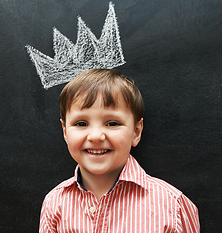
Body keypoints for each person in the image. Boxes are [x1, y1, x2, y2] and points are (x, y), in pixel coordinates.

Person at [39, 68, 200, 232]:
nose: (95, 136)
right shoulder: (54, 203)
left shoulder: (172, 205)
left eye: (112, 123)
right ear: (65, 132)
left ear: (136, 132)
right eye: (81, 124)